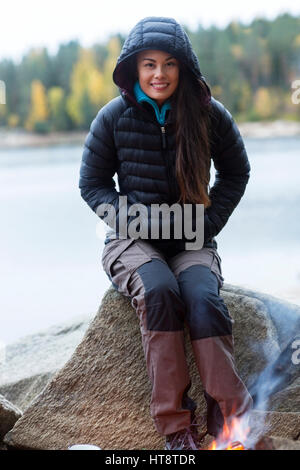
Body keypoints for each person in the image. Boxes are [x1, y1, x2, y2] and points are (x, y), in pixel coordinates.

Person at [79, 16, 253, 450]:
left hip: (192, 239)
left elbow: (236, 173)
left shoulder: (210, 115)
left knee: (202, 297)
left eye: (170, 64)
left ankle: (230, 416)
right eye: (149, 65)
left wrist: (208, 223)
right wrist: (134, 221)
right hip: (131, 241)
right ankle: (178, 432)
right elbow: (92, 185)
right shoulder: (114, 117)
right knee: (158, 292)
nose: (159, 75)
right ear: (134, 70)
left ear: (184, 68)